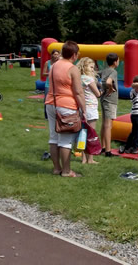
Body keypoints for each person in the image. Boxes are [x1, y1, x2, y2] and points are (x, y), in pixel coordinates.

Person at [44, 41, 86, 177]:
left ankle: (57, 168)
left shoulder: (54, 65)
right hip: (66, 105)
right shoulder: (73, 69)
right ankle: (67, 171)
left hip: (51, 102)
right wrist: (84, 109)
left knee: (53, 137)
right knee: (65, 140)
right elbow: (78, 92)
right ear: (74, 55)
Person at [77, 57, 101, 164]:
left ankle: (83, 158)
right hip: (91, 107)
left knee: (83, 133)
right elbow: (97, 93)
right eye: (91, 67)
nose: (93, 69)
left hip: (82, 107)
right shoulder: (88, 79)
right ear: (86, 67)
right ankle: (90, 159)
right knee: (91, 134)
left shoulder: (79, 78)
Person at [99, 52, 119, 157]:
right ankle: (108, 150)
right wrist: (110, 88)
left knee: (104, 124)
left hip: (103, 100)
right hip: (110, 100)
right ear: (115, 62)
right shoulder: (113, 72)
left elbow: (98, 77)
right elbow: (108, 82)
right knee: (108, 125)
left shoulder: (104, 70)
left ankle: (103, 147)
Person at [121, 75, 138, 154]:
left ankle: (128, 146)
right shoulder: (135, 91)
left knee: (134, 132)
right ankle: (134, 148)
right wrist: (137, 84)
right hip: (137, 115)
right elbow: (137, 86)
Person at [42, 49, 61, 118]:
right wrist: (49, 73)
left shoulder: (60, 63)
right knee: (47, 100)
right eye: (54, 54)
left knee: (57, 100)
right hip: (48, 84)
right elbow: (43, 73)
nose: (56, 56)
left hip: (57, 84)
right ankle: (46, 115)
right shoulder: (48, 63)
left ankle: (56, 115)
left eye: (57, 54)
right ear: (52, 55)